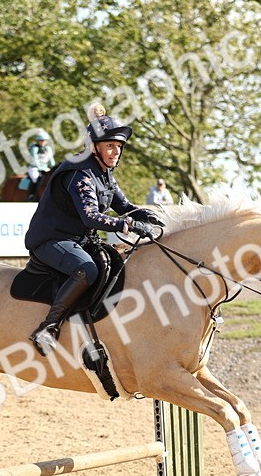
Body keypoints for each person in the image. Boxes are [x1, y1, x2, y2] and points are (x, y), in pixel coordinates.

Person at [23, 105, 164, 356]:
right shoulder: (80, 173)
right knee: (87, 268)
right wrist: (129, 224)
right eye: (110, 145)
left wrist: (152, 216)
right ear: (94, 147)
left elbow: (124, 206)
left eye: (119, 146)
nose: (116, 151)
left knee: (114, 262)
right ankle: (48, 327)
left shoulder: (104, 173)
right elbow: (90, 217)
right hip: (51, 240)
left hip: (78, 240)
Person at [26, 129, 55, 201]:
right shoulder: (34, 148)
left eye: (44, 141)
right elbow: (35, 159)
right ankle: (32, 195)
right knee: (35, 178)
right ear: (38, 141)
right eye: (41, 141)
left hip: (45, 168)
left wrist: (53, 167)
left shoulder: (48, 148)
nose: (43, 142)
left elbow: (51, 159)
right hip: (34, 168)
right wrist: (41, 168)